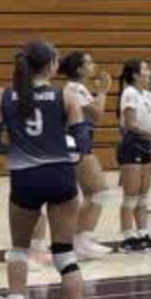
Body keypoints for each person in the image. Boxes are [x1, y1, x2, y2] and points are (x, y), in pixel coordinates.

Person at [0, 40, 90, 299]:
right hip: (61, 178)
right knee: (64, 254)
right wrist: (66, 152)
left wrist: (19, 149)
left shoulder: (2, 96)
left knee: (18, 250)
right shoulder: (66, 95)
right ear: (53, 65)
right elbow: (83, 144)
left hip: (25, 179)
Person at [57, 50, 113, 258]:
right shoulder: (74, 89)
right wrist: (103, 91)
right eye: (89, 63)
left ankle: (81, 239)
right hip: (76, 143)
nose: (93, 65)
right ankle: (79, 241)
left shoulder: (79, 88)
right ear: (79, 69)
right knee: (99, 191)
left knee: (92, 193)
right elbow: (97, 115)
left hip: (80, 142)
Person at [116, 57, 151, 251]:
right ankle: (127, 236)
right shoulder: (129, 93)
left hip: (147, 144)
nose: (149, 72)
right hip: (132, 144)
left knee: (143, 195)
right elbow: (130, 124)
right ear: (135, 75)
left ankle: (143, 233)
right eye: (145, 69)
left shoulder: (148, 95)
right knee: (131, 195)